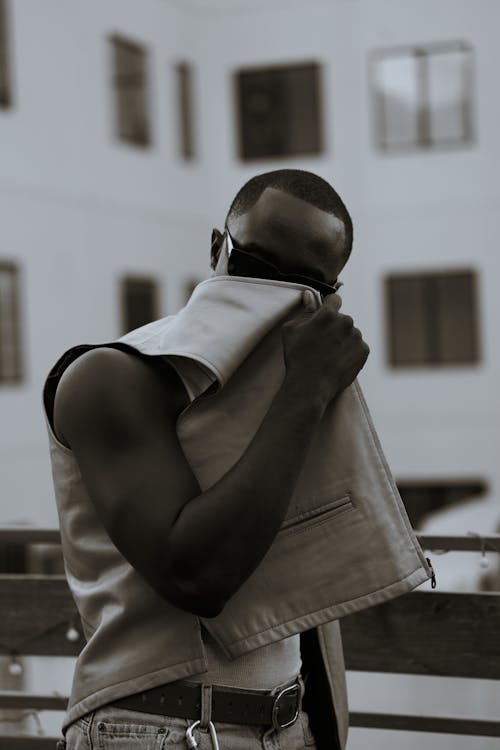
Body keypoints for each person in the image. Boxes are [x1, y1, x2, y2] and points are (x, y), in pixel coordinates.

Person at [43, 169, 431, 750]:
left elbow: (302, 593)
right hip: (155, 728)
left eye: (300, 284)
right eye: (257, 268)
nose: (271, 296)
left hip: (285, 725)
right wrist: (303, 395)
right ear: (216, 249)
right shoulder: (112, 376)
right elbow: (196, 574)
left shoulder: (301, 386)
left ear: (327, 297)